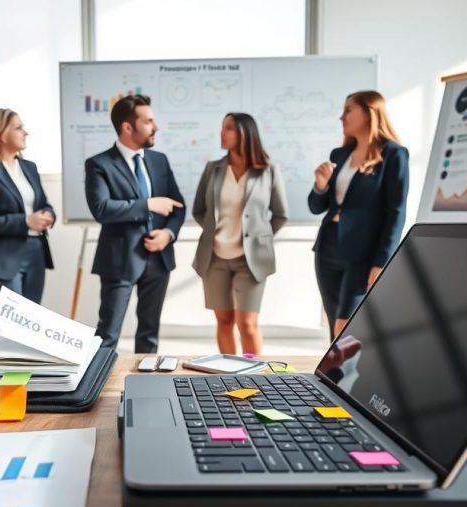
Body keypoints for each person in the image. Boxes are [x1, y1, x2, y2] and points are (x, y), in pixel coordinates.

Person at [85, 94, 185, 352]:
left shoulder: (158, 160)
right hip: (119, 261)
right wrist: (147, 205)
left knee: (149, 335)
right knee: (108, 334)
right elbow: (102, 209)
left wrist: (168, 234)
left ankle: (146, 387)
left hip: (158, 259)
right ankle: (95, 389)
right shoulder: (99, 164)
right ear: (127, 127)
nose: (156, 127)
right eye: (149, 121)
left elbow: (178, 207)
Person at [309, 90, 409, 338]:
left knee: (348, 325)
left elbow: (395, 213)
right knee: (334, 323)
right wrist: (321, 185)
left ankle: (347, 375)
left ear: (369, 113)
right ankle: (336, 376)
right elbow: (317, 206)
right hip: (328, 247)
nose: (341, 117)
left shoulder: (394, 155)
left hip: (363, 254)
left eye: (348, 110)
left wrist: (381, 262)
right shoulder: (339, 155)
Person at [192, 113, 288, 355]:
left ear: (245, 133)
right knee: (224, 322)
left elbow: (280, 214)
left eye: (229, 128)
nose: (222, 133)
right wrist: (214, 231)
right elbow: (199, 210)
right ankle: (228, 379)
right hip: (214, 258)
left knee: (247, 324)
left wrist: (259, 239)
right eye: (223, 127)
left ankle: (254, 381)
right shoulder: (213, 169)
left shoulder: (268, 170)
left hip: (251, 261)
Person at [0, 108, 56, 305]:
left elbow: (43, 204)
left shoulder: (29, 167)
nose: (26, 132)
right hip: (1, 258)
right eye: (19, 128)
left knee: (31, 327)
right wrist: (25, 221)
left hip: (35, 253)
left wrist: (49, 214)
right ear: (1, 134)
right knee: (7, 331)